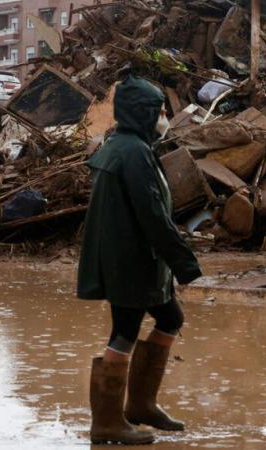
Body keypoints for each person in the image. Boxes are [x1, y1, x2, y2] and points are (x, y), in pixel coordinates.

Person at [77, 75, 202, 445]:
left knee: (170, 317)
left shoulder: (126, 145)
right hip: (131, 259)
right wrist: (185, 263)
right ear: (144, 114)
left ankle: (142, 405)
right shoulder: (132, 152)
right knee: (125, 331)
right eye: (160, 112)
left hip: (135, 257)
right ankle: (108, 423)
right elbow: (152, 215)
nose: (164, 117)